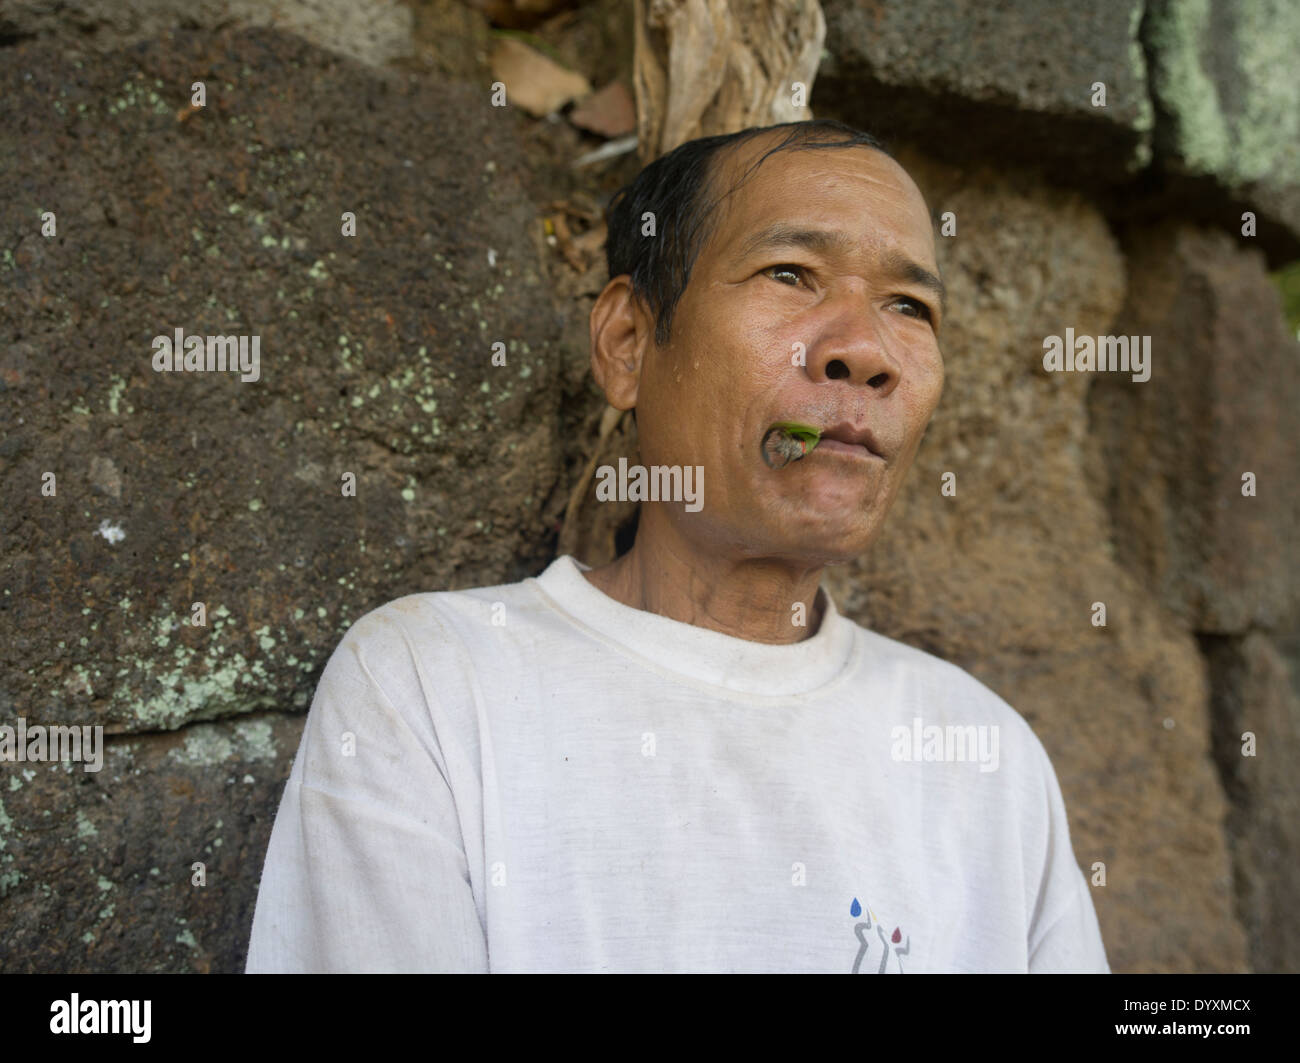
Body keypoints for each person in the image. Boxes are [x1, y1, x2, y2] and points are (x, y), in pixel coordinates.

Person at [245, 119, 1109, 973]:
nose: (864, 351)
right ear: (627, 343)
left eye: (909, 306)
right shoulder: (433, 687)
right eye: (791, 273)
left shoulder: (980, 753)